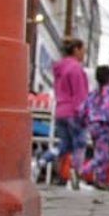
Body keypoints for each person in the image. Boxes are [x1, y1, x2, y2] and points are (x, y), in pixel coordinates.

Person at [38, 37, 89, 190]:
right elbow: (80, 95)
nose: (83, 54)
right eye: (82, 50)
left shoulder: (59, 69)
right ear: (76, 50)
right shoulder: (75, 69)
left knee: (64, 145)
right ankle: (75, 176)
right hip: (74, 112)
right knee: (79, 144)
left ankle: (42, 161)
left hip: (61, 110)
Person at [79, 65, 109, 189]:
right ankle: (82, 171)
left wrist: (86, 121)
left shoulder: (93, 93)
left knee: (101, 152)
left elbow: (82, 110)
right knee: (103, 155)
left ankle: (100, 179)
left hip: (92, 125)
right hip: (105, 125)